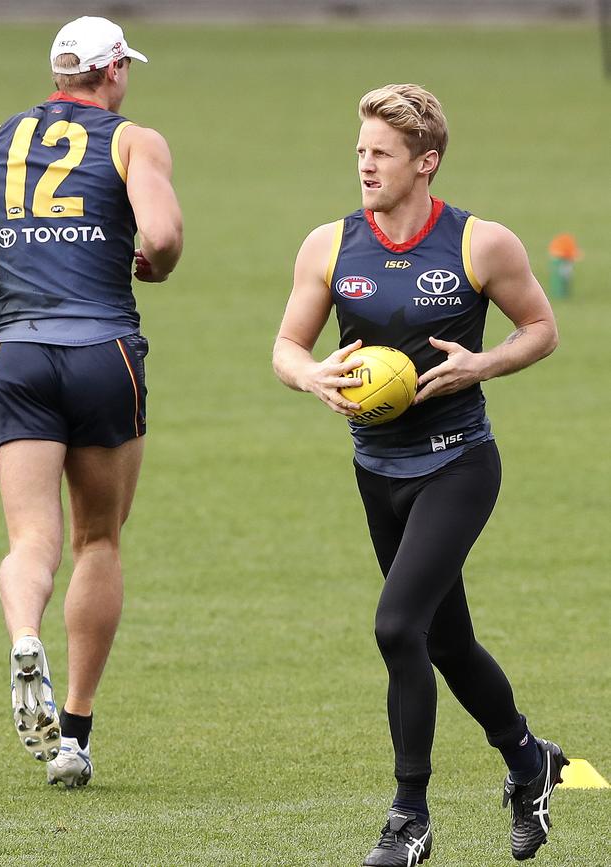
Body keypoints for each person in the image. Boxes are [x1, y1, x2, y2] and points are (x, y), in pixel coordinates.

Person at [273, 84, 567, 865]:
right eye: (360, 150)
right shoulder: (329, 246)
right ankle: (528, 758)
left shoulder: (482, 244)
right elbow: (286, 349)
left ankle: (409, 817)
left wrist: (484, 363)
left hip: (459, 465)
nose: (364, 164)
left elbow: (541, 328)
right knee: (448, 639)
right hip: (377, 470)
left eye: (381, 153)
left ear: (425, 163)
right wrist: (311, 378)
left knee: (397, 625)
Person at [0, 16, 182, 788]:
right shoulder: (133, 140)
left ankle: (25, 633)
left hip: (16, 351)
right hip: (103, 353)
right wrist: (148, 260)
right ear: (112, 69)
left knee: (31, 540)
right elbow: (164, 235)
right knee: (100, 541)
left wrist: (10, 257)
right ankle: (75, 734)